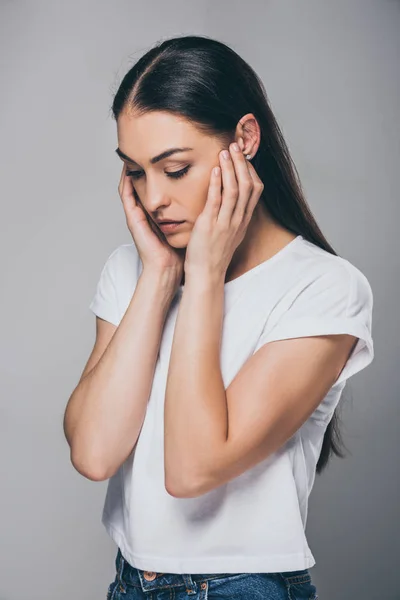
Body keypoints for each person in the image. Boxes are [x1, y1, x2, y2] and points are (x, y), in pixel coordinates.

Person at [63, 35, 374, 599]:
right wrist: (160, 277)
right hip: (131, 581)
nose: (153, 198)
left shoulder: (325, 289)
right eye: (135, 172)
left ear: (245, 140)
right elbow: (93, 451)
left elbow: (192, 468)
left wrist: (204, 277)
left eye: (175, 169)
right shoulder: (132, 269)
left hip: (241, 587)